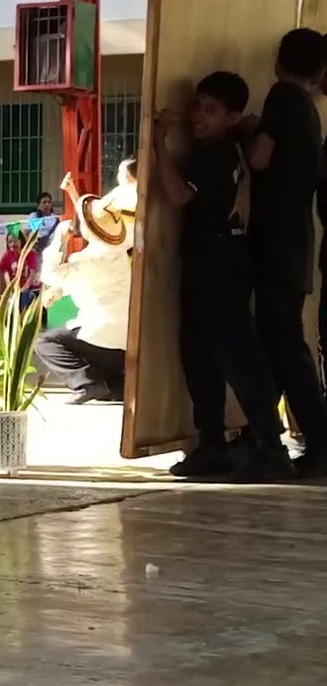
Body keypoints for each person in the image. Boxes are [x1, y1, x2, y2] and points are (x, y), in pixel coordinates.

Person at [153, 71, 291, 482]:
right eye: (197, 106)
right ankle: (211, 444)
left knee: (235, 355)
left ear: (231, 117)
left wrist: (158, 143)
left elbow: (178, 196)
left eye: (210, 111)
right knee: (200, 355)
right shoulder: (226, 146)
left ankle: (270, 445)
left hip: (220, 263)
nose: (198, 116)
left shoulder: (215, 155)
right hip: (210, 261)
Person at [245, 28, 327, 478]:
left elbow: (259, 158)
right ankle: (265, 434)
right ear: (318, 71)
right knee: (284, 342)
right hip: (297, 240)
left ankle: (317, 439)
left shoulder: (281, 98)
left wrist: (243, 132)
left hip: (275, 241)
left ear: (279, 62)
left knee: (283, 345)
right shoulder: (312, 112)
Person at [34, 180, 131, 405]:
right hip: (123, 342)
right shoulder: (119, 258)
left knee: (46, 343)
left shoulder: (89, 259)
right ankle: (111, 387)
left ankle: (86, 382)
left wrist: (59, 240)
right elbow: (83, 283)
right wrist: (59, 291)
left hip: (99, 338)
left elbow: (50, 274)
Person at [60, 158, 139, 252]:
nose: (118, 176)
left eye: (121, 172)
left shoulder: (124, 191)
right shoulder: (143, 192)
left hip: (116, 249)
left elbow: (92, 214)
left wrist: (71, 191)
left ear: (128, 175)